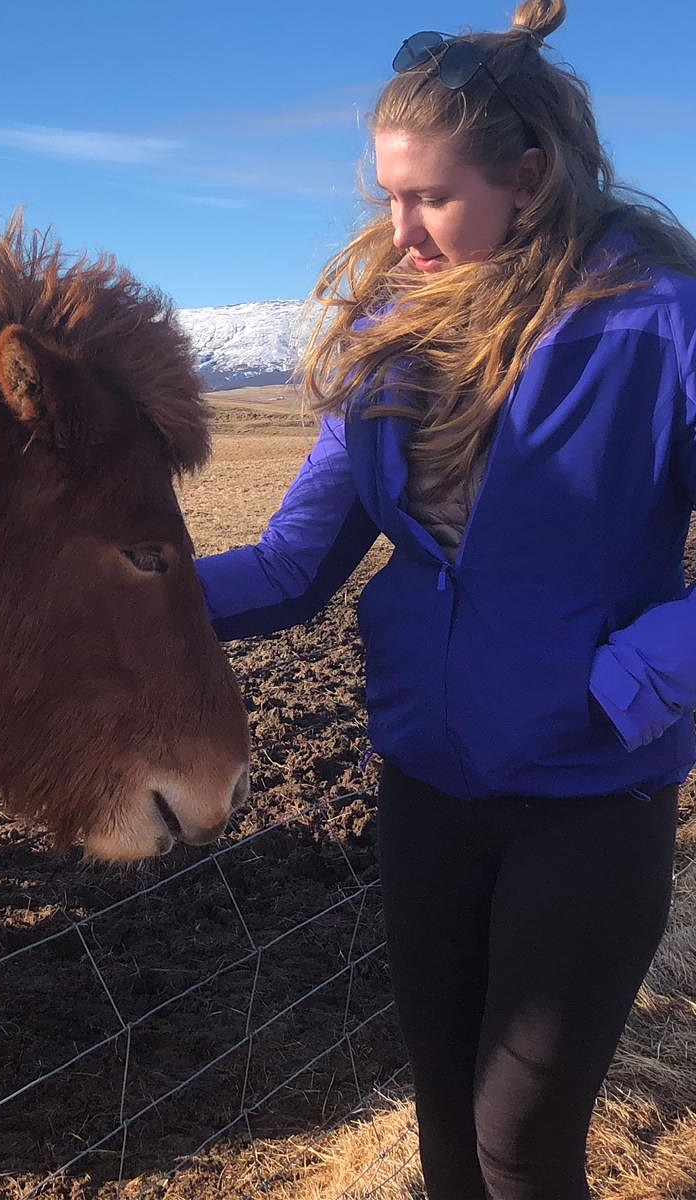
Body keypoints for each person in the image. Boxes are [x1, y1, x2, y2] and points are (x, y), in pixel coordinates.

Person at [195, 2, 696, 1197]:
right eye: (387, 197)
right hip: (427, 781)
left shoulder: (660, 324)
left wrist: (630, 677)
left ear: (529, 175)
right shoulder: (383, 342)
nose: (400, 227)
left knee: (522, 1148)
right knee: (442, 1133)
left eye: (430, 197)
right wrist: (95, 607)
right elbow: (291, 566)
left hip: (591, 788)